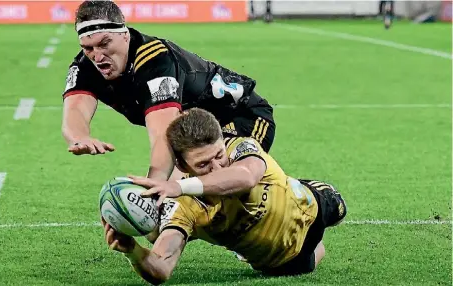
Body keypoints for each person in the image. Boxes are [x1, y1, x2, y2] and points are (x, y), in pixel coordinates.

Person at [102, 108, 348, 285]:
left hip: (311, 205)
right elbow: (161, 269)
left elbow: (246, 177)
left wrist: (177, 187)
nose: (218, 167)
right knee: (316, 255)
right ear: (183, 166)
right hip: (284, 259)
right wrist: (132, 251)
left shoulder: (241, 147)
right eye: (203, 164)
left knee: (339, 209)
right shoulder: (182, 208)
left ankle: (299, 186)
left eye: (219, 155)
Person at [61, 0, 276, 183]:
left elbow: (163, 136)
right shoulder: (84, 66)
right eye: (88, 48)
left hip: (242, 116)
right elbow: (76, 110)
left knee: (221, 187)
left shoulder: (154, 61)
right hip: (194, 133)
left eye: (105, 44)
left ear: (124, 35)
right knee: (173, 210)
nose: (97, 57)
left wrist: (152, 188)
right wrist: (80, 136)